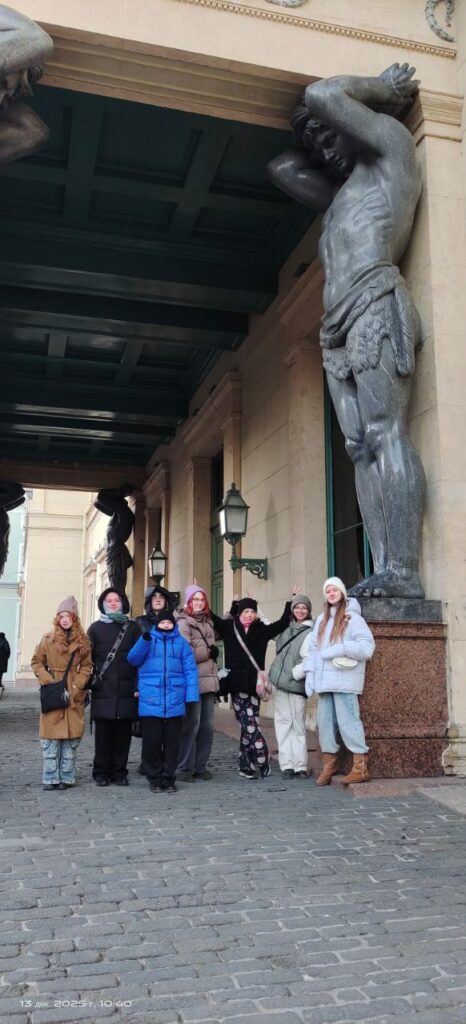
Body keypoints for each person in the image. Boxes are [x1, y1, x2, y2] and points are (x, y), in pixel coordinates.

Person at [268, 65, 425, 598]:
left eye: (330, 137)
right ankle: (382, 567)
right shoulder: (340, 197)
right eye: (317, 145)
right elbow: (281, 167)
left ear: (356, 124)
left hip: (373, 301)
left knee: (386, 433)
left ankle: (404, 569)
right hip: (334, 328)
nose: (324, 152)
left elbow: (322, 93)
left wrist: (380, 91)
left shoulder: (390, 154)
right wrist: (324, 143)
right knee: (358, 446)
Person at [211, 594, 293, 779]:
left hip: (255, 686)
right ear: (240, 613)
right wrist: (231, 605)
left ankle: (245, 765)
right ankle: (262, 756)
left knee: (249, 725)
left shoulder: (261, 630)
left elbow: (282, 623)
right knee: (249, 724)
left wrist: (290, 602)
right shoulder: (230, 628)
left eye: (252, 612)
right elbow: (213, 618)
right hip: (236, 685)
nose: (250, 615)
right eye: (246, 611)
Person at [303, 577, 375, 785]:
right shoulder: (321, 619)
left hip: (344, 680)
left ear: (342, 592)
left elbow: (367, 647)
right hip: (324, 682)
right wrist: (311, 674)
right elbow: (313, 649)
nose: (331, 593)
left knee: (349, 722)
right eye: (328, 591)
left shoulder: (353, 618)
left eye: (335, 590)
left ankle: (360, 767)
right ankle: (330, 764)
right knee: (324, 724)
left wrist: (341, 648)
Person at [127, 610, 199, 793]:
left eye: (169, 623)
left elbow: (190, 670)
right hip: (152, 698)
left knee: (172, 743)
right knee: (151, 742)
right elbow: (133, 659)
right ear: (156, 624)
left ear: (173, 625)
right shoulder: (148, 640)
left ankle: (168, 777)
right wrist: (143, 641)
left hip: (174, 699)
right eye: (162, 623)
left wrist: (191, 695)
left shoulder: (181, 643)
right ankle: (154, 777)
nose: (166, 625)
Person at [31, 596, 92, 791]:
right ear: (57, 619)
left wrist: (78, 685)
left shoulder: (83, 642)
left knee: (71, 740)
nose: (64, 620)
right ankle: (50, 777)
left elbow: (87, 666)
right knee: (50, 738)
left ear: (75, 619)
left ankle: (67, 776)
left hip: (73, 693)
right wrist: (47, 680)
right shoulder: (47, 640)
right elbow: (37, 662)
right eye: (61, 616)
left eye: (68, 616)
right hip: (53, 690)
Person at [87, 588, 141, 787]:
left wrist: (137, 686)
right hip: (103, 690)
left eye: (116, 600)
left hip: (126, 690)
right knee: (103, 737)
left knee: (122, 737)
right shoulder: (94, 629)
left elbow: (140, 660)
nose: (112, 603)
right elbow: (87, 660)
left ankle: (119, 772)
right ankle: (100, 772)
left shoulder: (133, 628)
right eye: (108, 600)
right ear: (103, 604)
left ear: (122, 603)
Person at [176, 584, 219, 782]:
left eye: (202, 599)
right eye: (195, 599)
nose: (199, 603)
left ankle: (201, 766)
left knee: (207, 726)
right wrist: (208, 653)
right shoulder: (183, 623)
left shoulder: (208, 622)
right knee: (191, 725)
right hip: (192, 681)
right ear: (189, 602)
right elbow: (185, 653)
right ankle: (184, 767)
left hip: (208, 680)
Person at [269, 594, 313, 779]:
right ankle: (287, 765)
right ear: (292, 610)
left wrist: (295, 674)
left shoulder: (310, 632)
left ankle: (300, 766)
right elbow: (267, 627)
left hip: (296, 685)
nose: (300, 610)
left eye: (304, 607)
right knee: (283, 724)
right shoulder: (285, 628)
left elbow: (310, 659)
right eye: (297, 607)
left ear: (308, 611)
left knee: (298, 725)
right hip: (280, 684)